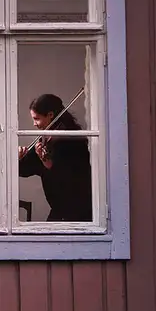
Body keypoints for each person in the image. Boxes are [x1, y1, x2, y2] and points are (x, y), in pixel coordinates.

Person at [19, 93, 92, 222]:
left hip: (77, 209)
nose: (34, 124)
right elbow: (26, 169)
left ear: (50, 115)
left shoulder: (72, 140)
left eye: (37, 118)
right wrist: (19, 159)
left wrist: (47, 163)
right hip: (59, 209)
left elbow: (70, 178)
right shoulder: (45, 138)